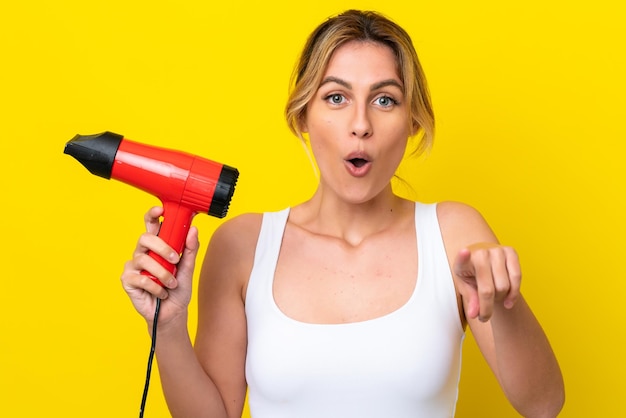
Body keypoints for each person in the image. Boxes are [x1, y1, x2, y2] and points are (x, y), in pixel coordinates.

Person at [121, 9, 565, 418]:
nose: (360, 124)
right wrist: (169, 326)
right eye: (335, 98)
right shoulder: (242, 245)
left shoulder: (453, 233)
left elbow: (544, 405)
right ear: (303, 117)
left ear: (412, 121)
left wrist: (502, 300)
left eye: (385, 100)